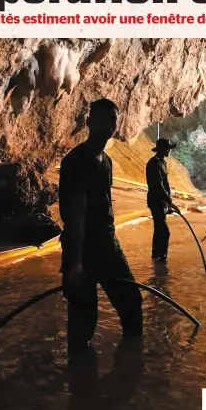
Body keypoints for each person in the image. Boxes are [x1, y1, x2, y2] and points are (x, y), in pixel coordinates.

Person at [59, 98, 143, 353]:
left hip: (108, 244)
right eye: (104, 118)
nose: (110, 123)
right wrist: (75, 263)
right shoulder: (76, 160)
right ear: (89, 123)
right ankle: (81, 381)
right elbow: (75, 213)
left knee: (132, 303)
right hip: (84, 246)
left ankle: (129, 370)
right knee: (83, 321)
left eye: (113, 119)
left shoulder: (106, 161)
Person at [146, 137, 177, 263]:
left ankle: (155, 255)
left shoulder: (162, 162)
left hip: (162, 201)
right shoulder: (154, 163)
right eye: (168, 149)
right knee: (165, 231)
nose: (169, 151)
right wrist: (169, 201)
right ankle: (162, 257)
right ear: (162, 149)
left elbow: (165, 183)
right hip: (156, 200)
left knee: (159, 229)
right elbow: (157, 184)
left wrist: (168, 203)